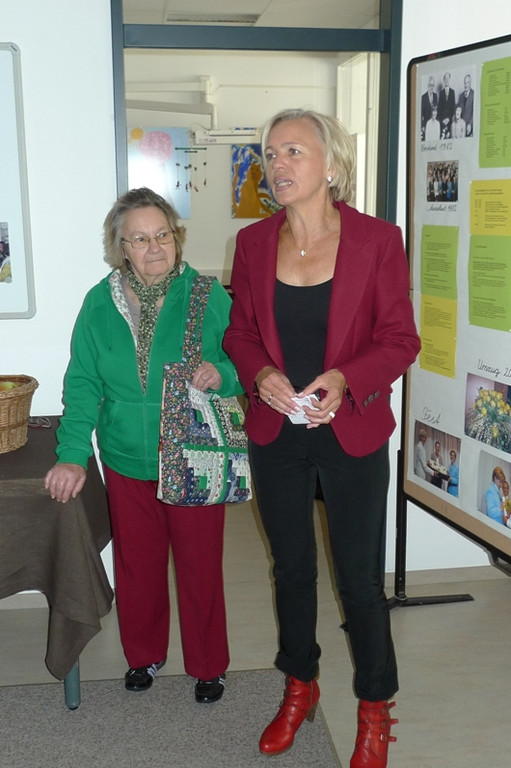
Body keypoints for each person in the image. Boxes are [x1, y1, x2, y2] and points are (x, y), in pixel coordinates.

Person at [223, 108, 421, 766]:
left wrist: (344, 377)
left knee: (359, 581)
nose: (276, 164)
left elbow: (400, 340)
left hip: (351, 429)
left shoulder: (377, 241)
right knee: (291, 570)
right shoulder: (253, 243)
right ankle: (299, 684)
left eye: (293, 152)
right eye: (269, 153)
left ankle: (374, 707)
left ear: (331, 165)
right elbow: (239, 333)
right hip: (277, 431)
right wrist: (261, 374)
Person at [45, 187, 242, 703]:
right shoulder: (98, 302)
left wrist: (222, 374)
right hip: (125, 458)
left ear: (176, 238)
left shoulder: (206, 295)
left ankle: (208, 665)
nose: (155, 247)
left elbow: (248, 358)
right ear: (122, 248)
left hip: (194, 456)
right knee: (137, 566)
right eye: (140, 239)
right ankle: (144, 656)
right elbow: (82, 382)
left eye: (163, 235)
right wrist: (72, 454)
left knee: (200, 567)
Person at [437, 72, 456, 138]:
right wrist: (443, 120)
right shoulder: (441, 93)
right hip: (442, 121)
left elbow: (453, 108)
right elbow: (439, 108)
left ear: (450, 79)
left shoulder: (452, 92)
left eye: (448, 78)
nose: (447, 80)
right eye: (445, 78)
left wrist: (448, 119)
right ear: (444, 80)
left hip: (450, 120)